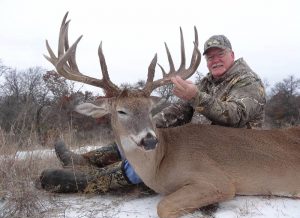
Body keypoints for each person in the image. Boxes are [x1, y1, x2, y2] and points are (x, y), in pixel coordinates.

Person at [39, 35, 266, 193]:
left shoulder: (248, 81)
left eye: (220, 54)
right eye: (210, 57)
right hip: (199, 142)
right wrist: (144, 123)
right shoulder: (208, 83)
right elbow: (181, 110)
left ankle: (82, 182)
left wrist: (196, 96)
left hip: (231, 152)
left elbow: (238, 115)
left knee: (146, 167)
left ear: (232, 54)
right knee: (144, 139)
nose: (215, 60)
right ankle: (82, 160)